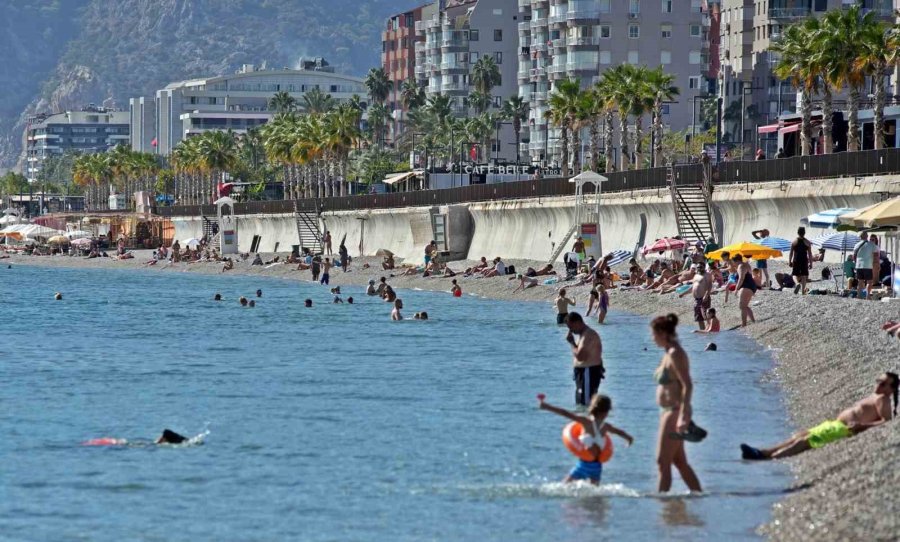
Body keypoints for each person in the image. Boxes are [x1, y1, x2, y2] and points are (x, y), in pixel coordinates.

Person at [741, 372, 898, 460]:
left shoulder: (883, 400)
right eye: (879, 380)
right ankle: (763, 452)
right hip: (836, 425)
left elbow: (887, 421)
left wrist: (862, 426)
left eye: (883, 383)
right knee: (799, 435)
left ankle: (770, 458)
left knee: (805, 441)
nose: (878, 384)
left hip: (844, 430)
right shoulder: (874, 396)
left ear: (891, 389)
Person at [651, 314, 703, 494]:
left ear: (663, 333)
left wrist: (683, 415)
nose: (652, 338)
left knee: (662, 462)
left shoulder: (676, 353)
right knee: (679, 462)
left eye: (654, 333)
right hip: (667, 411)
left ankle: (662, 504)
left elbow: (687, 384)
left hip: (675, 412)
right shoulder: (668, 352)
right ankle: (698, 496)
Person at [537, 394, 634, 485]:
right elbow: (620, 432)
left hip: (583, 465)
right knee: (595, 494)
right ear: (606, 412)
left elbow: (566, 413)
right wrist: (629, 439)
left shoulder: (586, 422)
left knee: (564, 486)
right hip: (597, 467)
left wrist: (546, 406)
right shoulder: (606, 427)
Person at [565, 312, 604, 406]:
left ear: (577, 322)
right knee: (581, 404)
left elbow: (580, 357)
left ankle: (588, 420)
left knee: (586, 404)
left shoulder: (588, 335)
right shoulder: (584, 335)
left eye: (571, 327)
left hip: (588, 372)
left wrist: (571, 343)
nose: (571, 331)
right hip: (585, 373)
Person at [733, 255, 757, 327]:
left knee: (742, 306)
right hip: (750, 286)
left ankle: (744, 324)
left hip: (746, 286)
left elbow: (741, 278)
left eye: (733, 262)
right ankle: (753, 321)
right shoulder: (746, 264)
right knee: (745, 306)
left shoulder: (741, 266)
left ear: (736, 261)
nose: (733, 264)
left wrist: (736, 289)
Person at [788, 227, 813, 294]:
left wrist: (789, 261)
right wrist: (811, 263)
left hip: (796, 259)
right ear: (804, 233)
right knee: (804, 275)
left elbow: (791, 253)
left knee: (794, 274)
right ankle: (803, 291)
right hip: (804, 260)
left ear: (798, 232)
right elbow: (810, 254)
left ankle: (797, 284)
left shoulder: (794, 242)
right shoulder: (807, 242)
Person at [853, 232, 876, 299]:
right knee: (869, 281)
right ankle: (867, 296)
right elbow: (875, 255)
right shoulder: (871, 244)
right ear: (867, 236)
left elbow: (854, 256)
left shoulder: (856, 245)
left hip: (859, 265)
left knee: (860, 282)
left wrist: (856, 262)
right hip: (868, 265)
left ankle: (859, 296)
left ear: (860, 237)